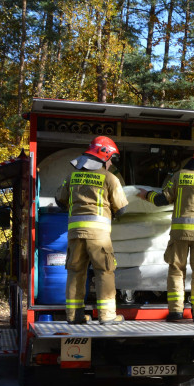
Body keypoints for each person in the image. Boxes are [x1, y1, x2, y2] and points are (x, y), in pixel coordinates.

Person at [137, 141, 194, 323]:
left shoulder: (179, 176)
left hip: (180, 233)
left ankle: (176, 312)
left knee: (176, 270)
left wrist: (146, 195)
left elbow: (163, 199)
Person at [55, 135, 128, 325]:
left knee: (75, 272)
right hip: (99, 236)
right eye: (111, 158)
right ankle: (107, 316)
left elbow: (59, 200)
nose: (111, 163)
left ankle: (74, 315)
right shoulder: (109, 178)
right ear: (104, 156)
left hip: (75, 234)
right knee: (104, 271)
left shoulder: (72, 176)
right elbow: (122, 209)